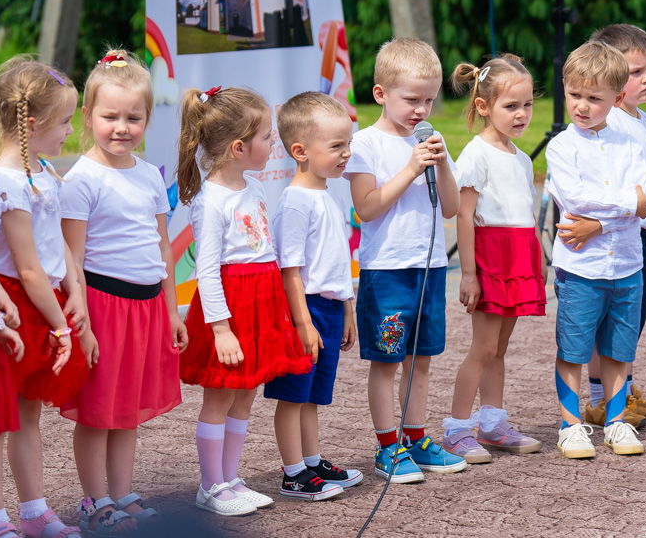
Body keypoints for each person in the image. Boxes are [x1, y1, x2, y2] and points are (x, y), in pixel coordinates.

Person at [60, 50, 187, 535]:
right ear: (88, 116)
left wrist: (172, 310)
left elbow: (161, 248)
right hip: (101, 307)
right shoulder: (81, 180)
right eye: (109, 116)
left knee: (126, 409)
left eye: (133, 117)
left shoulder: (150, 175)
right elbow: (72, 259)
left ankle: (123, 490)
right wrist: (83, 323)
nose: (121, 127)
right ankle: (95, 500)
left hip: (147, 305)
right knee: (97, 411)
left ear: (148, 119)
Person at [177, 86, 313, 513]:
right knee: (220, 396)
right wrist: (220, 329)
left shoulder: (253, 188)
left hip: (262, 302)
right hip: (231, 310)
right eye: (267, 137)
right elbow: (207, 270)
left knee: (246, 394)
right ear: (239, 147)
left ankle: (231, 478)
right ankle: (211, 486)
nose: (273, 143)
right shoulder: (210, 201)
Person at [0, 59, 90, 538]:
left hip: (45, 300)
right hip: (16, 309)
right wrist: (60, 325)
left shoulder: (42, 169)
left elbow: (56, 242)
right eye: (64, 121)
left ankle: (34, 511)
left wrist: (77, 290)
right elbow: (25, 266)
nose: (70, 130)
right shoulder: (6, 181)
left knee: (27, 415)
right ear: (32, 123)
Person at [345, 37, 465, 482]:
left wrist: (442, 163)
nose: (421, 109)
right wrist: (411, 169)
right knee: (387, 360)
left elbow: (450, 208)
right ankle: (386, 446)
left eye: (429, 100)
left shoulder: (429, 141)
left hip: (430, 266)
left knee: (422, 358)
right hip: (387, 269)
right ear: (381, 94)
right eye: (411, 99)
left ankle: (416, 437)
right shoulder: (364, 144)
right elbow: (367, 208)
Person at [546, 41, 646, 459]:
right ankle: (570, 424)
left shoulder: (631, 147)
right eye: (575, 95)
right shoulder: (561, 147)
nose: (582, 106)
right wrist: (627, 206)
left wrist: (603, 221)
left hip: (627, 264)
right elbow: (576, 199)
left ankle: (615, 421)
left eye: (594, 98)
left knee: (618, 350)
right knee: (572, 349)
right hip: (581, 268)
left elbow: (644, 204)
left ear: (617, 98)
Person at [563, 24, 646, 427]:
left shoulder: (643, 121)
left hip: (642, 237)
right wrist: (598, 226)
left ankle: (623, 390)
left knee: (631, 324)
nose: (645, 79)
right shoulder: (610, 126)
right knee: (606, 326)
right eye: (634, 71)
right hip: (614, 235)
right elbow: (599, 191)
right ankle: (600, 399)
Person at [440, 55, 546, 464]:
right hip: (489, 259)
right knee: (482, 348)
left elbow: (528, 216)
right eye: (510, 106)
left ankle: (493, 422)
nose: (521, 114)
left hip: (518, 259)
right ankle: (456, 429)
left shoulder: (521, 158)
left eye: (527, 105)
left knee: (500, 347)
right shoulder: (475, 154)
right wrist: (469, 274)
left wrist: (536, 262)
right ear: (483, 106)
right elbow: (465, 215)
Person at [264, 91, 363, 499]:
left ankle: (311, 460)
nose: (346, 154)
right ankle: (292, 473)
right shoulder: (295, 202)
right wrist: (303, 321)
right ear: (300, 151)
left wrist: (348, 310)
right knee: (292, 395)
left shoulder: (330, 194)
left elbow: (337, 262)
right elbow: (289, 269)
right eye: (336, 146)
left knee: (312, 396)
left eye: (348, 144)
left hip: (330, 309)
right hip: (302, 312)